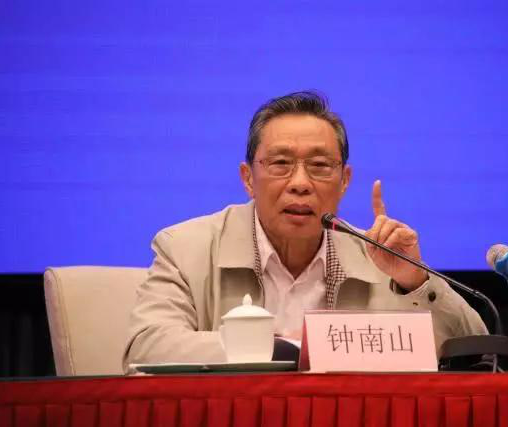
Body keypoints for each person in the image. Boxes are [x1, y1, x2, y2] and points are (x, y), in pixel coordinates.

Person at [123, 91, 487, 372]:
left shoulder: (379, 258)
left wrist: (416, 283)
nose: (300, 183)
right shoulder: (185, 248)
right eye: (281, 163)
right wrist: (281, 349)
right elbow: (146, 348)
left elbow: (479, 352)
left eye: (319, 166)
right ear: (248, 179)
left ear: (344, 181)